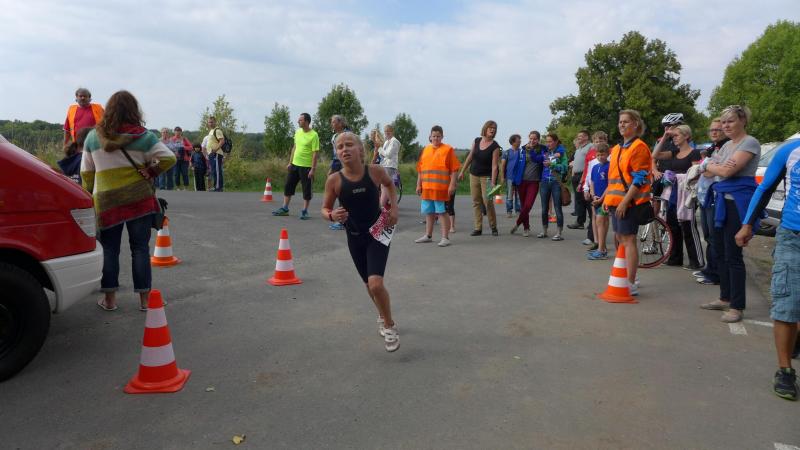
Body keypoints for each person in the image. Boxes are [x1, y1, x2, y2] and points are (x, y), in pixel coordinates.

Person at [80, 90, 176, 311]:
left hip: (107, 202)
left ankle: (110, 300)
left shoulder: (93, 137)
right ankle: (145, 301)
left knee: (110, 250)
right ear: (134, 111)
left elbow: (86, 172)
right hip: (138, 200)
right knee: (140, 248)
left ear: (109, 111)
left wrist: (89, 195)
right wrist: (151, 172)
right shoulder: (144, 137)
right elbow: (169, 158)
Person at [321, 132, 400, 352]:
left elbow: (389, 185)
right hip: (354, 237)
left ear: (360, 150)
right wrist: (331, 215)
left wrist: (393, 208)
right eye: (339, 147)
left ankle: (389, 325)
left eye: (349, 145)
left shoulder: (375, 172)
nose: (344, 149)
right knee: (368, 285)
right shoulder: (334, 180)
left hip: (377, 233)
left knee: (376, 284)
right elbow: (324, 209)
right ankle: (382, 314)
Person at [736, 138, 800, 400]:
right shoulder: (791, 150)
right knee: (786, 304)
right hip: (793, 238)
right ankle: (785, 370)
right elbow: (764, 189)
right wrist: (747, 225)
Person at [699, 105, 760, 323]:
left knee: (733, 255)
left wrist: (710, 164)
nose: (725, 126)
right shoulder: (727, 145)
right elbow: (709, 171)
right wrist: (712, 166)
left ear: (743, 121)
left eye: (730, 121)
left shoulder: (749, 142)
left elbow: (725, 170)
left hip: (737, 203)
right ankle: (725, 297)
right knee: (720, 251)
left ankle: (737, 305)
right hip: (721, 201)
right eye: (723, 122)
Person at [603, 109, 653, 296]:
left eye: (626, 121)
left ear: (636, 124)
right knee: (620, 238)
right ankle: (630, 276)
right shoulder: (617, 148)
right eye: (620, 121)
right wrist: (607, 199)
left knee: (628, 239)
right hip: (615, 201)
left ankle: (631, 282)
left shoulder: (639, 147)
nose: (622, 124)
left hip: (629, 203)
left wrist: (625, 201)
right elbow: (613, 178)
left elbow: (639, 178)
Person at [652, 124, 702, 268]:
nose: (673, 138)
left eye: (676, 135)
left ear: (686, 136)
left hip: (686, 194)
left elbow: (696, 174)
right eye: (672, 136)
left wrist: (680, 178)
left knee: (688, 226)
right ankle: (675, 258)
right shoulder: (674, 152)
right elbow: (654, 155)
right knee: (672, 225)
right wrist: (665, 137)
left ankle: (696, 261)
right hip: (673, 193)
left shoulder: (694, 153)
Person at [694, 118, 729, 285]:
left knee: (715, 237)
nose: (714, 132)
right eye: (712, 130)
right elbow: (704, 170)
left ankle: (716, 274)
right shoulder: (712, 149)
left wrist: (705, 167)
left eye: (718, 129)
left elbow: (708, 172)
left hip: (716, 197)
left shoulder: (726, 148)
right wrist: (705, 167)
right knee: (708, 236)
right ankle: (710, 269)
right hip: (705, 197)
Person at [415, 125, 460, 247]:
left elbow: (454, 169)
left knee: (442, 212)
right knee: (429, 212)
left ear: (442, 137)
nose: (436, 138)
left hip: (440, 188)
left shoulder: (448, 150)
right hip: (427, 188)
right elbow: (420, 169)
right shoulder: (426, 150)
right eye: (434, 136)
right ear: (430, 137)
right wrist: (418, 184)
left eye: (438, 136)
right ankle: (428, 235)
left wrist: (452, 184)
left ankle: (445, 238)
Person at [272, 113, 320, 219]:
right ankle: (285, 208)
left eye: (300, 120)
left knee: (306, 190)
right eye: (299, 120)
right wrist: (290, 162)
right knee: (288, 186)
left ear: (306, 122)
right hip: (295, 165)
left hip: (306, 167)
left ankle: (305, 211)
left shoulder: (314, 135)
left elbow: (315, 153)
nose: (298, 121)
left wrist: (313, 169)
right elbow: (294, 147)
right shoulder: (298, 132)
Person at [459, 120, 501, 236]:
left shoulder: (495, 146)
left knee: (488, 202)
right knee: (476, 201)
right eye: (490, 128)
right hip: (473, 175)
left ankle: (493, 227)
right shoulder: (477, 141)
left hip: (487, 177)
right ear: (485, 128)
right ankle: (478, 228)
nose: (492, 130)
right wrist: (462, 171)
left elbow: (494, 166)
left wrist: (493, 182)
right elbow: (470, 157)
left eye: (494, 128)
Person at [509, 132, 545, 237]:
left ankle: (517, 223)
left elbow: (539, 159)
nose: (532, 141)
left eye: (535, 139)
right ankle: (526, 228)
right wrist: (514, 180)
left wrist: (532, 150)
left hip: (534, 181)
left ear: (538, 139)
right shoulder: (522, 149)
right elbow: (516, 165)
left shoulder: (543, 149)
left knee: (528, 205)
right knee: (524, 206)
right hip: (522, 181)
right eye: (531, 138)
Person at [581, 131, 609, 249]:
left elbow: (611, 182)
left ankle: (602, 245)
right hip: (595, 195)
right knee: (594, 216)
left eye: (600, 141)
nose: (598, 143)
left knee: (603, 218)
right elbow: (589, 177)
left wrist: (601, 198)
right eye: (596, 141)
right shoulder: (593, 162)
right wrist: (587, 190)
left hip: (605, 195)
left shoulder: (610, 160)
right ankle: (597, 242)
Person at [538, 133, 568, 240]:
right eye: (547, 141)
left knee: (557, 208)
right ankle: (544, 231)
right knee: (544, 208)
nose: (548, 143)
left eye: (550, 141)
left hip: (556, 182)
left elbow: (565, 167)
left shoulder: (561, 153)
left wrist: (553, 165)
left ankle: (559, 233)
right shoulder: (545, 152)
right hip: (544, 182)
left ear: (556, 142)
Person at [587, 143, 611, 260]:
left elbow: (610, 185)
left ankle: (601, 250)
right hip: (596, 199)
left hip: (605, 199)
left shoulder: (609, 166)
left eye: (602, 154)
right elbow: (592, 182)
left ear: (607, 154)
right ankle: (602, 248)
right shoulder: (595, 167)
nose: (600, 157)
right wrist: (593, 195)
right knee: (598, 222)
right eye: (598, 155)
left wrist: (601, 199)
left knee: (601, 221)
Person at [327, 115, 350, 230]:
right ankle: (343, 218)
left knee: (345, 190)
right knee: (338, 190)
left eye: (333, 122)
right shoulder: (334, 136)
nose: (332, 124)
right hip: (337, 163)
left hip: (346, 164)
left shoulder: (348, 135)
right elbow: (335, 154)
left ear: (340, 123)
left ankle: (344, 221)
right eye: (331, 122)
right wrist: (332, 168)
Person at [568, 130, 593, 230]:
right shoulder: (578, 149)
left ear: (586, 137)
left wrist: (584, 177)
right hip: (576, 175)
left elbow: (590, 162)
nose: (579, 138)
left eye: (581, 136)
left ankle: (592, 222)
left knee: (587, 199)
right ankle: (580, 222)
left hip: (584, 175)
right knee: (579, 200)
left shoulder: (590, 146)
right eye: (578, 136)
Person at [378, 124, 401, 207]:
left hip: (390, 166)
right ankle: (389, 203)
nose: (387, 133)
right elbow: (382, 155)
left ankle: (382, 206)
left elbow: (388, 155)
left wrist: (380, 149)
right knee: (383, 186)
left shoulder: (394, 141)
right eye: (385, 131)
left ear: (392, 132)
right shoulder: (386, 141)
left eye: (388, 131)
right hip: (385, 165)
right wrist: (380, 150)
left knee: (385, 186)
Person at [500, 138, 522, 218]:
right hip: (510, 177)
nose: (520, 142)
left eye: (520, 141)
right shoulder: (506, 152)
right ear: (513, 142)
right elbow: (502, 165)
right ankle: (509, 211)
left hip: (519, 177)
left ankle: (518, 211)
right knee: (509, 195)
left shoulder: (521, 152)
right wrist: (502, 177)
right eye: (518, 141)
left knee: (519, 195)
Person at [206, 117, 226, 192]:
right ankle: (216, 186)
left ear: (215, 122)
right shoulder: (211, 131)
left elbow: (222, 141)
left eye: (212, 122)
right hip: (211, 154)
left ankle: (218, 187)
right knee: (214, 170)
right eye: (209, 122)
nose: (210, 124)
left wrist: (215, 149)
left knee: (217, 171)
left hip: (216, 153)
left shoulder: (217, 130)